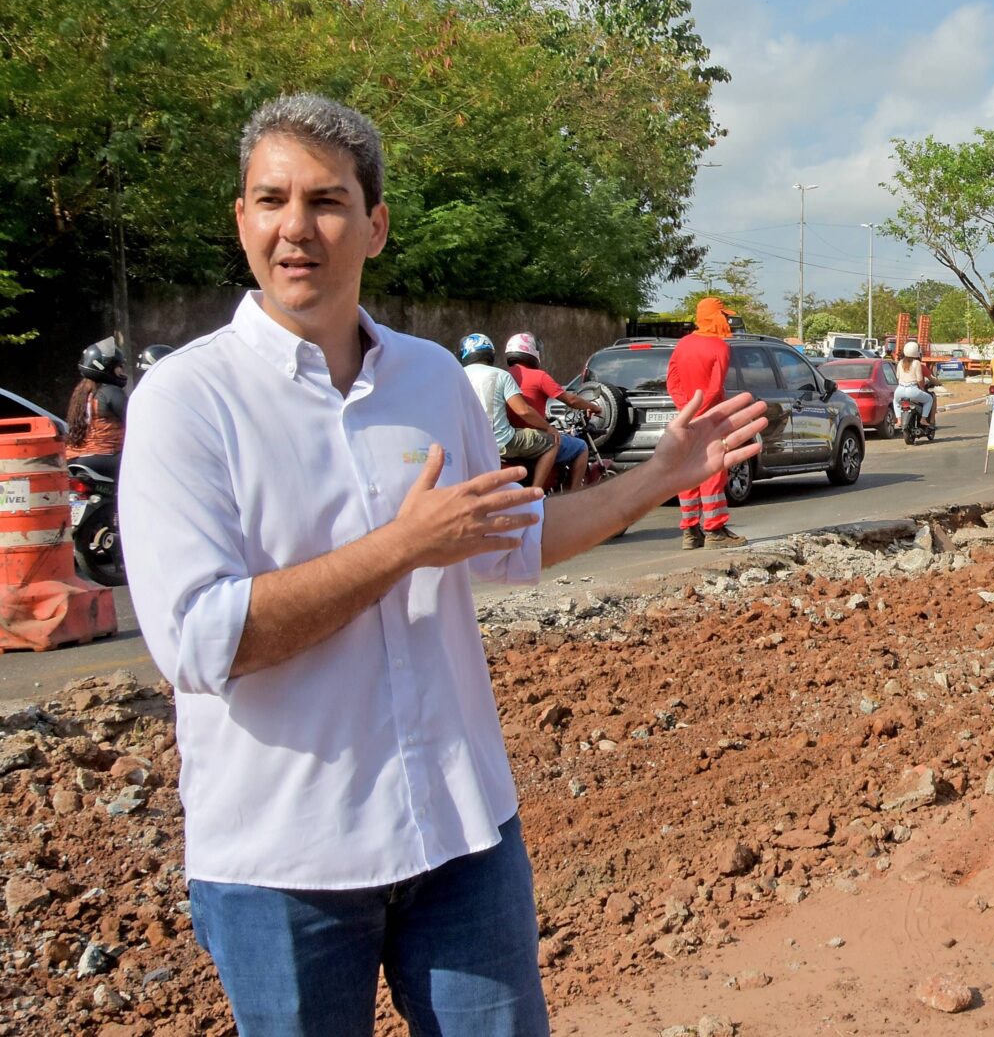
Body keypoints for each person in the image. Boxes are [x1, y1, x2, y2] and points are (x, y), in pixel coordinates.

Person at [118, 93, 766, 1036]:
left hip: (462, 834)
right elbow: (200, 642)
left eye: (328, 201)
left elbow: (513, 540)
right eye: (271, 199)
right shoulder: (187, 402)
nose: (296, 227)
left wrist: (660, 477)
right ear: (241, 218)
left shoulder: (430, 378)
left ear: (374, 225)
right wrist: (401, 547)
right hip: (284, 866)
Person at [667, 297, 747, 549]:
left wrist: (686, 411)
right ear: (716, 317)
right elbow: (714, 388)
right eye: (723, 315)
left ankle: (691, 531)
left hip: (684, 418)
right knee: (713, 470)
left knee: (689, 471)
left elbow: (672, 382)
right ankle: (714, 530)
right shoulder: (720, 348)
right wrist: (701, 414)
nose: (727, 320)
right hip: (710, 419)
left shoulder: (683, 344)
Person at [459, 333, 559, 492]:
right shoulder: (500, 375)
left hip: (468, 444)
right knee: (552, 441)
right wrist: (548, 428)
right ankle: (534, 493)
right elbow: (523, 410)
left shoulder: (458, 376)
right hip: (502, 442)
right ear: (490, 354)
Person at [503, 332, 600, 491]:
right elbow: (571, 400)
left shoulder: (503, 375)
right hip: (535, 438)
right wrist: (594, 407)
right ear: (532, 352)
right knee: (580, 446)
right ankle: (572, 496)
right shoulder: (539, 376)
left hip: (510, 437)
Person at [63, 336, 128, 472]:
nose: (122, 371)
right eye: (119, 366)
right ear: (106, 368)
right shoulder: (111, 392)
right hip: (105, 456)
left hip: (73, 458)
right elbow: (135, 422)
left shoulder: (80, 392)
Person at [894, 339, 937, 431]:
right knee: (929, 399)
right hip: (913, 390)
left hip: (899, 390)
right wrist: (921, 388)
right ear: (917, 352)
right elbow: (920, 379)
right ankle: (923, 419)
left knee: (895, 401)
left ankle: (899, 420)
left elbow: (898, 377)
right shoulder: (916, 363)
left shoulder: (900, 362)